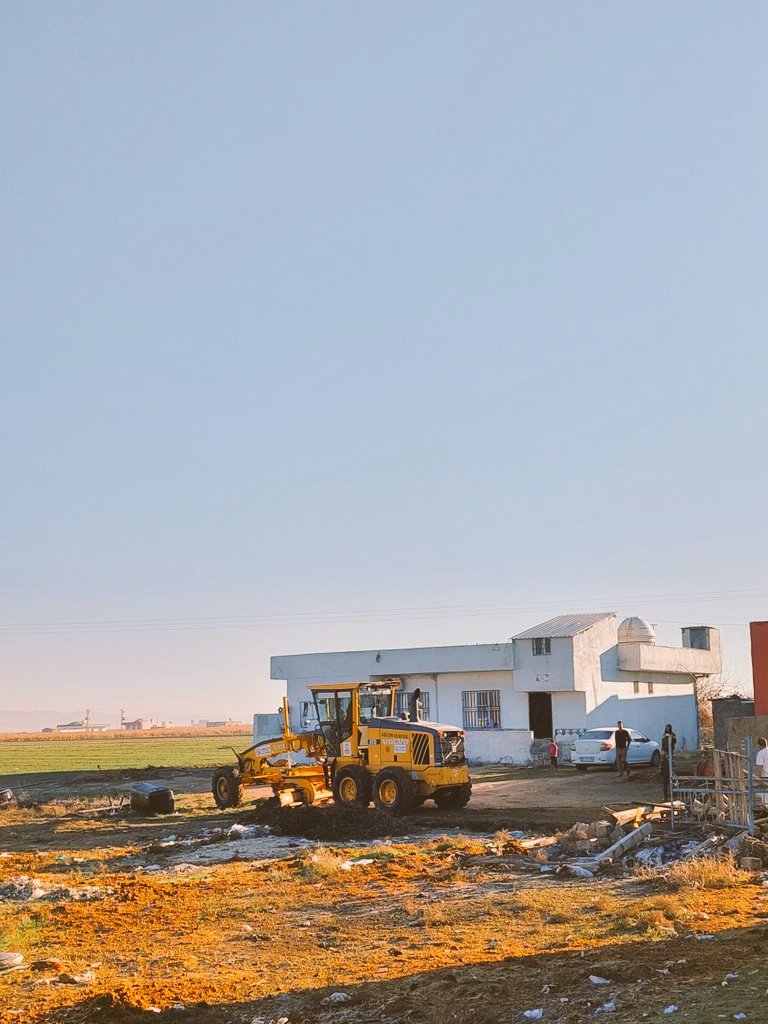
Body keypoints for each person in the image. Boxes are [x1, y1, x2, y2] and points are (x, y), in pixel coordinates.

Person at [660, 723, 677, 801]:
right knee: (665, 781)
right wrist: (663, 752)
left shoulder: (673, 735)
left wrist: (669, 753)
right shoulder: (664, 735)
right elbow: (662, 743)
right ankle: (665, 796)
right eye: (666, 727)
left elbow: (673, 743)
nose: (667, 729)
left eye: (668, 728)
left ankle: (671, 795)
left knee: (670, 781)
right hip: (664, 763)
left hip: (669, 754)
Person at [755, 737, 768, 807]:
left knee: (764, 791)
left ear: (759, 745)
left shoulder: (760, 753)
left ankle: (766, 805)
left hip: (765, 775)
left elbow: (760, 767)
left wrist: (759, 777)